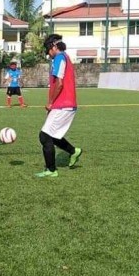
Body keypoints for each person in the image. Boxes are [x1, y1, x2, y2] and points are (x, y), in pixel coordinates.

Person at [35, 34, 82, 178]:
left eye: (48, 49)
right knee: (53, 136)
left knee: (44, 136)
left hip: (63, 104)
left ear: (54, 47)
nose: (48, 54)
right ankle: (73, 151)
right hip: (65, 104)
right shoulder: (65, 57)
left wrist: (50, 103)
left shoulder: (59, 58)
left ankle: (51, 170)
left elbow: (59, 84)